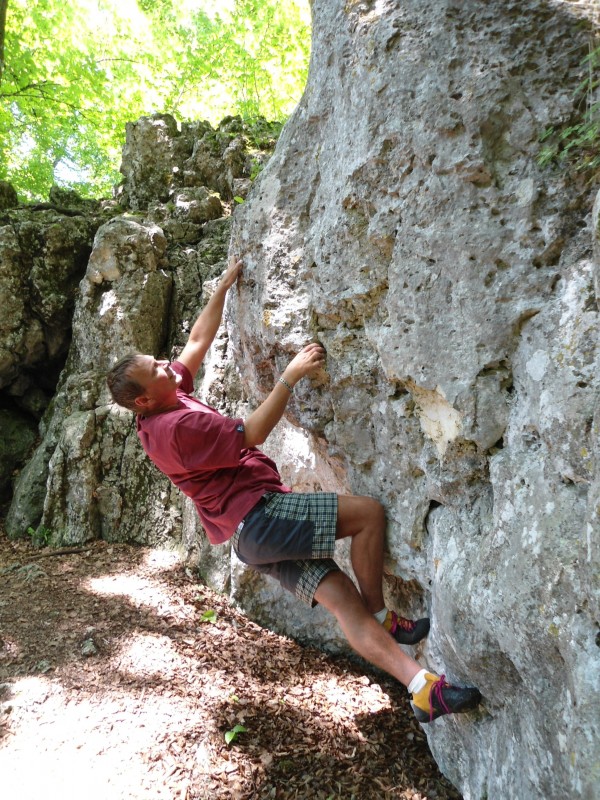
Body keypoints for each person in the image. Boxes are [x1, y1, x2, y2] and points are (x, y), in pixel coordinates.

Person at [106, 254, 481, 723]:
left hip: (250, 538)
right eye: (156, 368)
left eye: (158, 361)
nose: (166, 365)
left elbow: (196, 342)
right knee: (367, 515)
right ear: (143, 399)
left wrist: (221, 289)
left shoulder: (162, 396)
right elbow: (253, 433)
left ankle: (422, 688)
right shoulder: (175, 430)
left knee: (343, 600)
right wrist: (290, 376)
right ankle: (383, 615)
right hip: (259, 516)